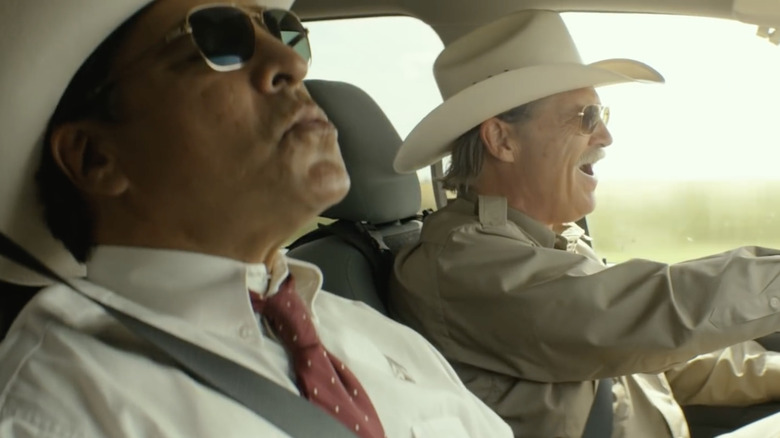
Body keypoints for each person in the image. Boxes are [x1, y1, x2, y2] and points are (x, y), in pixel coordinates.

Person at [0, 0, 514, 436]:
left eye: (284, 31)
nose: (291, 62)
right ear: (96, 157)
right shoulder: (58, 402)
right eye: (216, 37)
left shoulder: (377, 336)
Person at [390, 9, 780, 438]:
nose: (605, 137)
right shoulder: (463, 262)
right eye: (585, 118)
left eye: (602, 115)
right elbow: (644, 315)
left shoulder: (548, 241)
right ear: (502, 139)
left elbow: (655, 361)